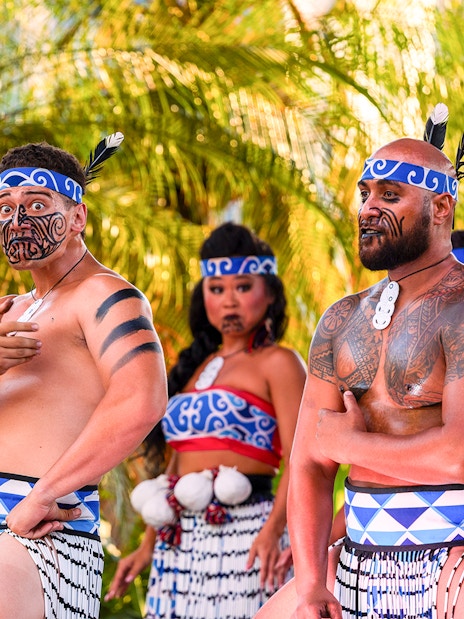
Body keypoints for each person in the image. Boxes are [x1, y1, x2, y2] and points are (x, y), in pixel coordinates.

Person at [255, 135, 464, 619]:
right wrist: (309, 582)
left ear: (441, 207)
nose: (369, 207)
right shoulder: (340, 318)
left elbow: (457, 456)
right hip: (355, 567)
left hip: (452, 566)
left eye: (390, 196)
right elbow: (309, 463)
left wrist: (349, 447)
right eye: (365, 193)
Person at [0, 138, 168, 619]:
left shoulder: (105, 295)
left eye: (36, 205)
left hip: (37, 531)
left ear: (78, 217)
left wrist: (42, 496)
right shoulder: (10, 308)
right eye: (5, 207)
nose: (17, 221)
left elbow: (142, 399)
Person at [105, 221, 307, 618]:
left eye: (243, 287)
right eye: (217, 290)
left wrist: (273, 531)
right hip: (179, 537)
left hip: (248, 529)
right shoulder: (197, 366)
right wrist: (148, 544)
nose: (229, 301)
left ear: (269, 293)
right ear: (205, 298)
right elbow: (177, 462)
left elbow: (302, 457)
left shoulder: (279, 363)